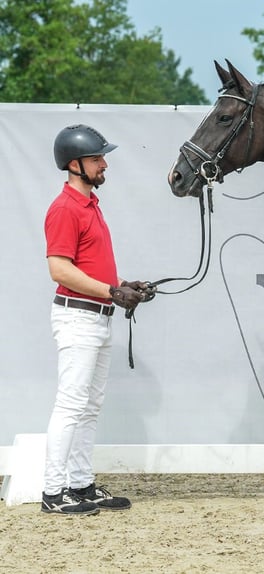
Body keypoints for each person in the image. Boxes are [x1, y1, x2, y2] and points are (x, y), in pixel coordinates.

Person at [42, 124, 151, 515]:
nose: (104, 164)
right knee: (71, 405)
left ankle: (81, 484)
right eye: (96, 158)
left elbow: (92, 267)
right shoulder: (65, 209)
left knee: (89, 406)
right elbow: (59, 269)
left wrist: (123, 285)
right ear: (75, 165)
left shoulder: (90, 205)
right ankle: (54, 492)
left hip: (98, 317)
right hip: (78, 318)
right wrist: (110, 292)